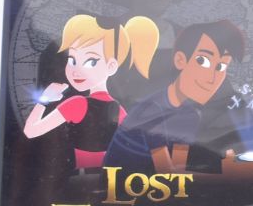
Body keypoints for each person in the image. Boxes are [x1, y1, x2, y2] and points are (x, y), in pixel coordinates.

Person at [103, 20, 253, 181]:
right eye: (202, 61)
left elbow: (177, 169)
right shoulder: (153, 110)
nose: (212, 78)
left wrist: (232, 167)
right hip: (122, 196)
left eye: (221, 67)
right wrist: (229, 174)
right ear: (180, 60)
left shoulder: (187, 113)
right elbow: (167, 176)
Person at [23, 14, 159, 171]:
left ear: (111, 66)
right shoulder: (118, 110)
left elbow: (31, 131)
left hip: (79, 177)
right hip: (107, 176)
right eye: (72, 60)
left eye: (90, 62)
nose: (76, 70)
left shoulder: (78, 104)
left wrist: (44, 99)